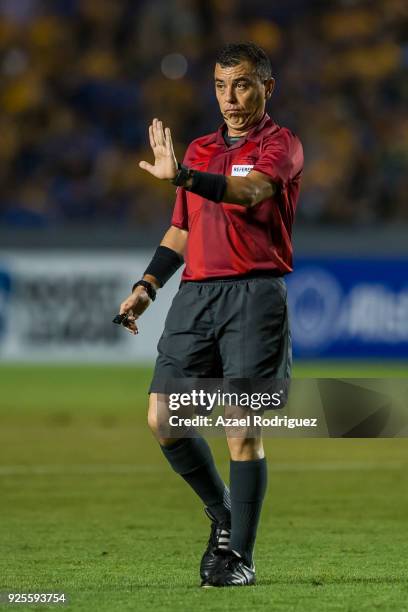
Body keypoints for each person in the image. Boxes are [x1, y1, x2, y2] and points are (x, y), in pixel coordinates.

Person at [117, 42, 303, 587]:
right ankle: (224, 511)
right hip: (196, 297)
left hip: (255, 295)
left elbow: (250, 192)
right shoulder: (198, 149)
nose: (230, 97)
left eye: (242, 84)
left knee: (241, 430)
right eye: (221, 85)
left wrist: (183, 178)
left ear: (267, 88)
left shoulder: (282, 144)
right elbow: (182, 228)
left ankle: (238, 558)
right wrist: (147, 285)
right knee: (164, 419)